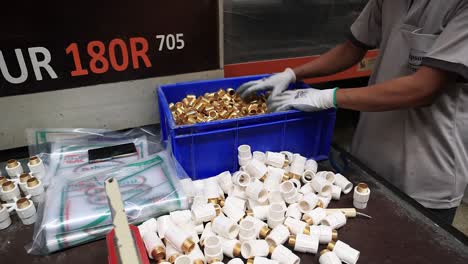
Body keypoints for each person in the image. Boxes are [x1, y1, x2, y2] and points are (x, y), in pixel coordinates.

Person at [237, 0, 468, 224]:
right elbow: (352, 48)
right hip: (371, 158)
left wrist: (330, 97)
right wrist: (292, 74)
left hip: (426, 172)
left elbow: (424, 88)